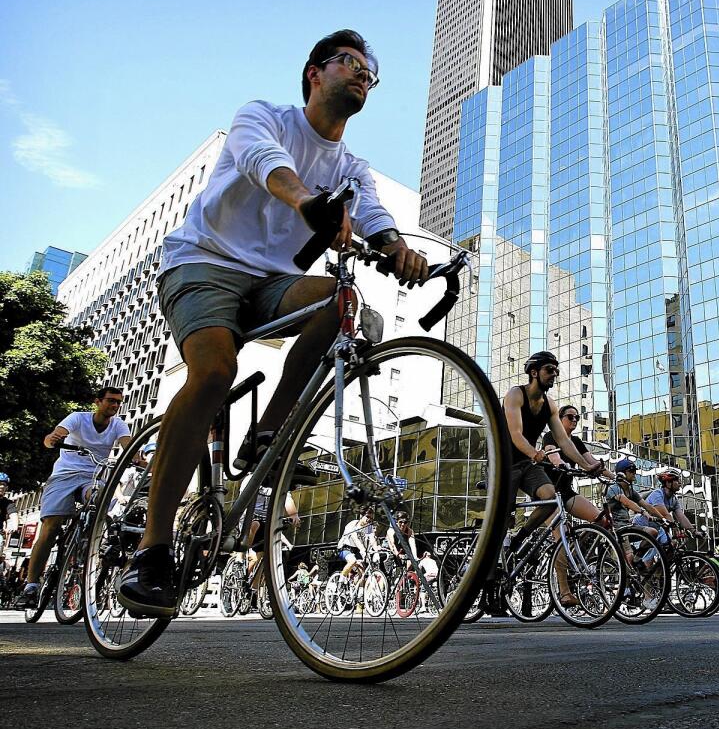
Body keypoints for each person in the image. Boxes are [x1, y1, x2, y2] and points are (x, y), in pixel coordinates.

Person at [118, 30, 429, 617]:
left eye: (371, 73)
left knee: (342, 299)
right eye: (351, 64)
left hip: (274, 283)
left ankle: (270, 433)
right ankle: (152, 551)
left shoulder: (352, 167)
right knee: (213, 373)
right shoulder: (262, 116)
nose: (363, 75)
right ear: (314, 73)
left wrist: (398, 249)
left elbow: (377, 217)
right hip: (204, 263)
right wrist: (307, 201)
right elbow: (268, 165)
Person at [500, 351, 605, 608]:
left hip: (527, 463)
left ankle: (518, 538)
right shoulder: (516, 394)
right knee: (503, 519)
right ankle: (491, 570)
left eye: (556, 370)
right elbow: (514, 433)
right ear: (534, 372)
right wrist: (535, 453)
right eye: (550, 370)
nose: (554, 375)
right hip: (505, 462)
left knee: (549, 497)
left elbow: (564, 442)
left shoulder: (550, 405)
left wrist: (587, 466)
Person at [22, 387, 133, 608]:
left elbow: (127, 446)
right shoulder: (77, 418)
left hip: (93, 477)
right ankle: (31, 586)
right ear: (97, 401)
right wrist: (53, 439)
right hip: (65, 475)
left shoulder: (118, 424)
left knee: (99, 497)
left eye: (118, 402)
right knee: (51, 527)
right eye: (110, 401)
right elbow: (53, 436)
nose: (114, 405)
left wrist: (139, 459)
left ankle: (87, 539)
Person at [633, 467, 700, 542]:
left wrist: (693, 531)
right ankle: (639, 553)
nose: (680, 483)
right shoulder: (657, 493)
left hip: (657, 528)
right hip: (641, 524)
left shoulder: (674, 499)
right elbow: (665, 514)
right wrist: (675, 526)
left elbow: (681, 517)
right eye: (677, 480)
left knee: (672, 543)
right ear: (668, 483)